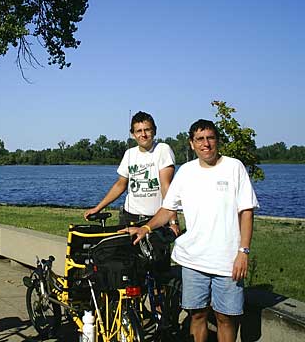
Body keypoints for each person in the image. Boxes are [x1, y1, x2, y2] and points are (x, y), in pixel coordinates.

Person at [127, 119, 259, 342]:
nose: (205, 144)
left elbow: (246, 212)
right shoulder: (186, 172)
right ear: (191, 143)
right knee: (196, 314)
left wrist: (243, 252)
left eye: (210, 138)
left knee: (225, 317)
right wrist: (146, 227)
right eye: (200, 139)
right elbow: (168, 209)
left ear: (217, 141)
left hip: (227, 262)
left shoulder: (234, 167)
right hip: (193, 261)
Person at [84, 111, 178, 232]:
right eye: (138, 131)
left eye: (147, 130)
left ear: (154, 131)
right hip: (129, 217)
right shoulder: (129, 154)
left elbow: (166, 186)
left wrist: (173, 221)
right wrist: (98, 208)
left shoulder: (162, 150)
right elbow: (120, 184)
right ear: (132, 134)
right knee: (123, 250)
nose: (143, 134)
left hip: (156, 219)